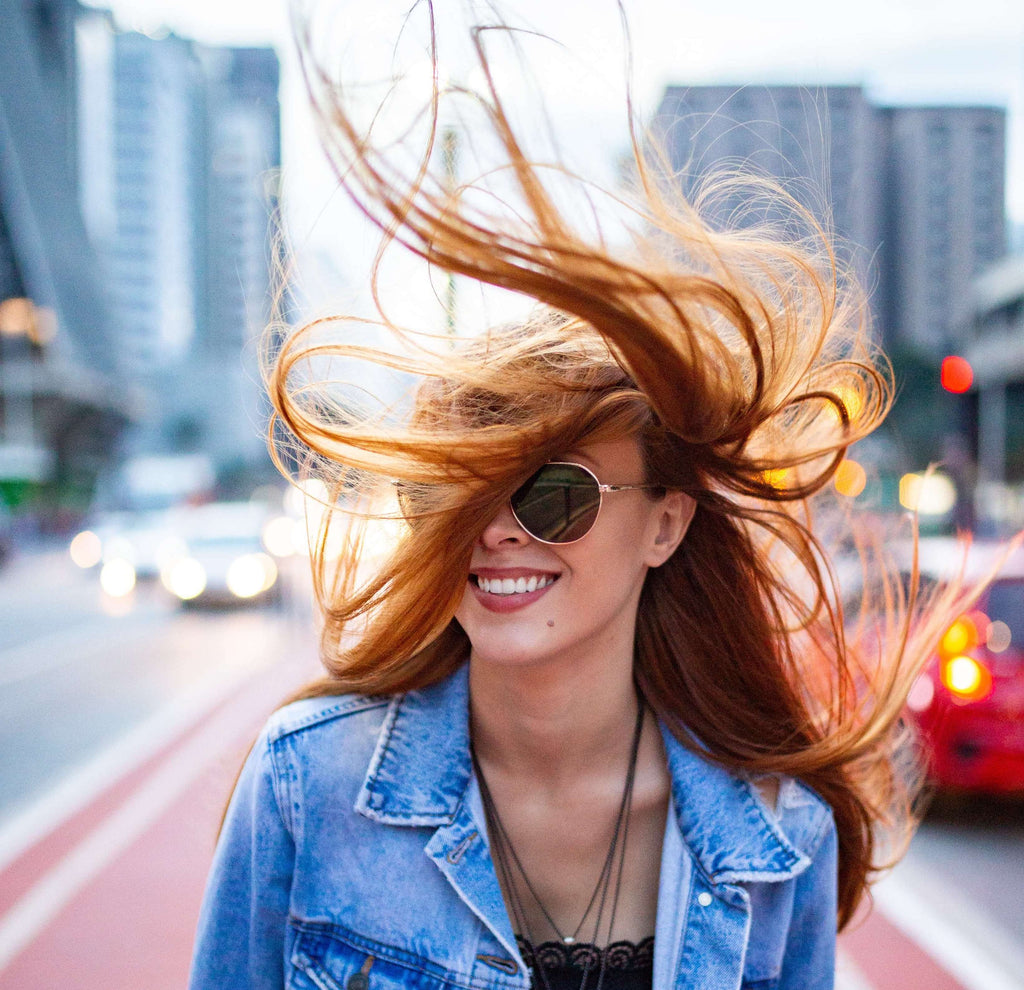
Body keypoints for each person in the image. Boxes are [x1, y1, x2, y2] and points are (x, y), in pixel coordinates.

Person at [189, 6, 967, 988]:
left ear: (664, 524)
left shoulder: (776, 837)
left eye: (555, 495)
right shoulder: (306, 784)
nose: (499, 532)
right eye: (464, 493)